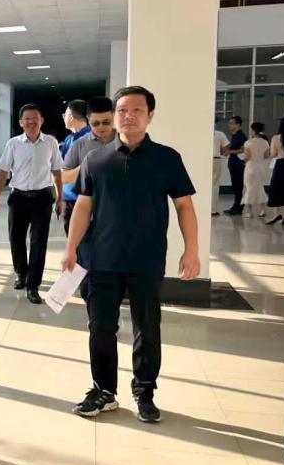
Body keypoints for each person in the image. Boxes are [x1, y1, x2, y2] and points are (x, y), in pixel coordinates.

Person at [62, 85, 199, 423]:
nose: (129, 116)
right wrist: (70, 249)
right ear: (115, 115)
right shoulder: (95, 160)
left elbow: (184, 205)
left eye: (137, 110)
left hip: (146, 259)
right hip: (101, 259)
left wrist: (192, 249)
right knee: (100, 327)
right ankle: (103, 390)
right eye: (122, 110)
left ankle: (145, 391)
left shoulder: (166, 159)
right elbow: (83, 206)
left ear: (150, 115)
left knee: (147, 327)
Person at [0, 104, 63, 304]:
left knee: (39, 242)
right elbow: (3, 171)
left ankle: (33, 285)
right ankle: (21, 274)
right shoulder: (13, 144)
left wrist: (60, 198)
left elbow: (57, 171)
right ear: (21, 122)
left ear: (41, 120)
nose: (31, 122)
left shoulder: (51, 143)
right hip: (18, 198)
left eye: (35, 118)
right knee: (16, 238)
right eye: (27, 119)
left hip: (42, 198)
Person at [62, 98, 113, 235]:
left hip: (104, 202)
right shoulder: (74, 141)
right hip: (73, 200)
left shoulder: (121, 141)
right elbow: (63, 175)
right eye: (95, 123)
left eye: (106, 122)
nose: (101, 127)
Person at [59, 99, 91, 234]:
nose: (63, 117)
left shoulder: (91, 138)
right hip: (69, 197)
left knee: (85, 237)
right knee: (71, 235)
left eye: (65, 114)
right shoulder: (69, 139)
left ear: (71, 116)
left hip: (86, 197)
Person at [242, 121, 271, 218]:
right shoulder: (265, 142)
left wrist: (243, 161)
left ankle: (249, 212)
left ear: (253, 130)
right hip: (260, 167)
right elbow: (266, 156)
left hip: (250, 167)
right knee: (260, 188)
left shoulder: (248, 143)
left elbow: (247, 156)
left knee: (249, 188)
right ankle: (263, 210)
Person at [224, 116, 247, 215]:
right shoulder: (234, 135)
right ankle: (236, 205)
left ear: (238, 124)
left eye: (231, 123)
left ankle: (239, 207)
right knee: (235, 186)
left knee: (238, 186)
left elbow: (243, 149)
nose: (229, 125)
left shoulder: (241, 136)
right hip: (233, 163)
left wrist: (230, 151)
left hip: (238, 164)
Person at [212, 126, 229, 216]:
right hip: (216, 159)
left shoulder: (202, 132)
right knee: (214, 185)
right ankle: (213, 209)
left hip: (204, 159)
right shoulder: (219, 134)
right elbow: (225, 147)